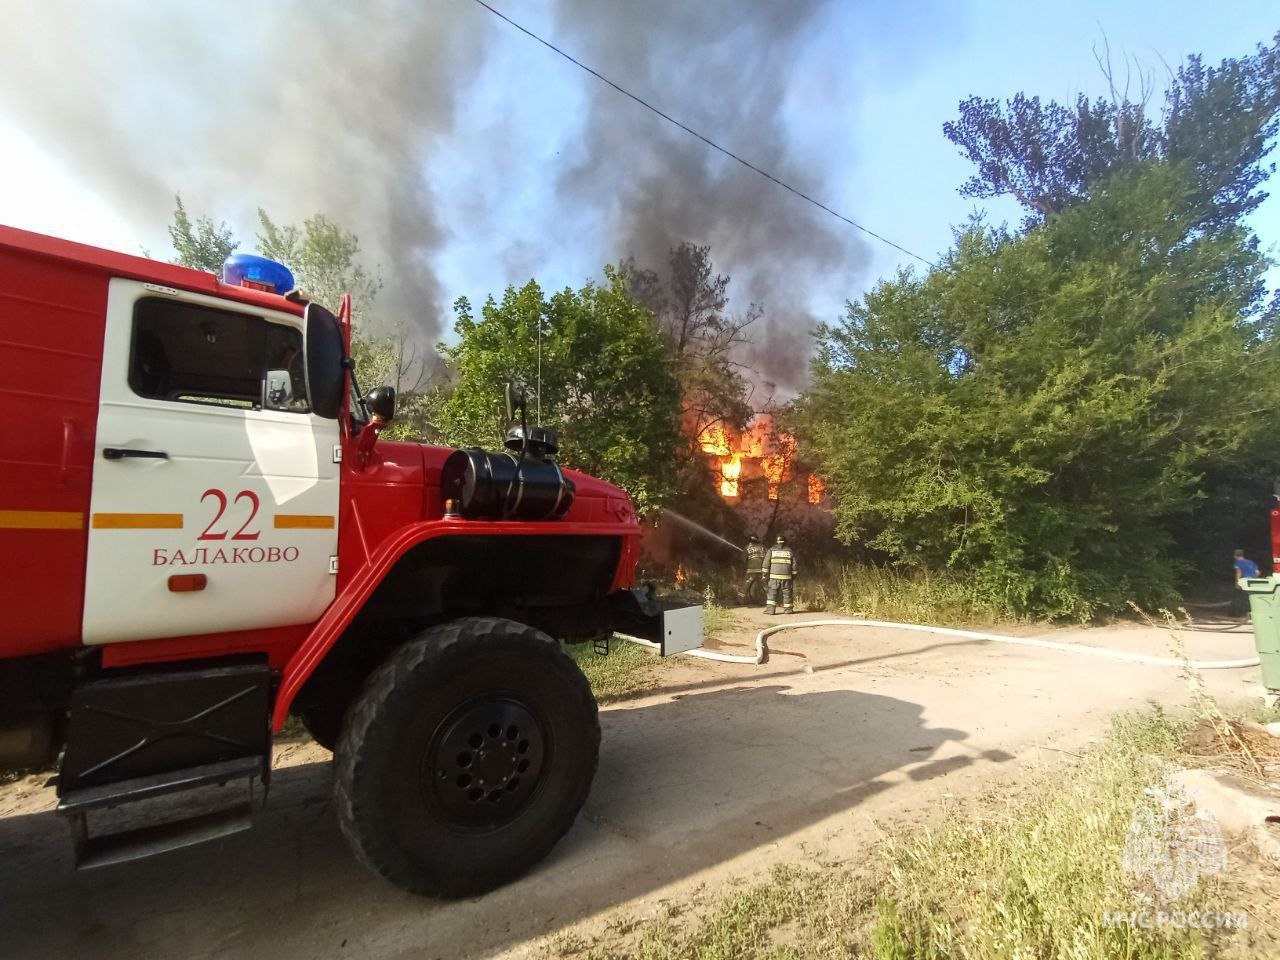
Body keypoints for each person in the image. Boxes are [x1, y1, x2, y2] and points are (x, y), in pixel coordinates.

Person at [763, 535, 796, 615]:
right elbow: (794, 565)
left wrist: (764, 574)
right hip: (787, 577)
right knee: (787, 593)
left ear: (776, 541)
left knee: (772, 593)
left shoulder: (771, 550)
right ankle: (788, 610)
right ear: (785, 541)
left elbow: (766, 563)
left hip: (774, 577)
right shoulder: (789, 551)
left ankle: (770, 611)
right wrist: (794, 575)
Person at [1233, 549, 1260, 615]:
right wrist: (1253, 578)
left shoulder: (1238, 562)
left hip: (1244, 582)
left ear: (1235, 556)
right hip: (1253, 581)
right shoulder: (1250, 562)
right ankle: (1253, 612)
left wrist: (1237, 583)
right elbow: (1258, 572)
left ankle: (1240, 613)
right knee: (1252, 597)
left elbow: (1238, 572)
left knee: (1241, 598)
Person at [743, 535, 766, 605]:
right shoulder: (763, 547)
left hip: (751, 571)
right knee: (765, 586)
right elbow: (768, 558)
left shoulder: (747, 548)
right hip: (762, 570)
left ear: (750, 541)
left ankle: (741, 601)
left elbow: (743, 560)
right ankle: (769, 601)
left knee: (745, 586)